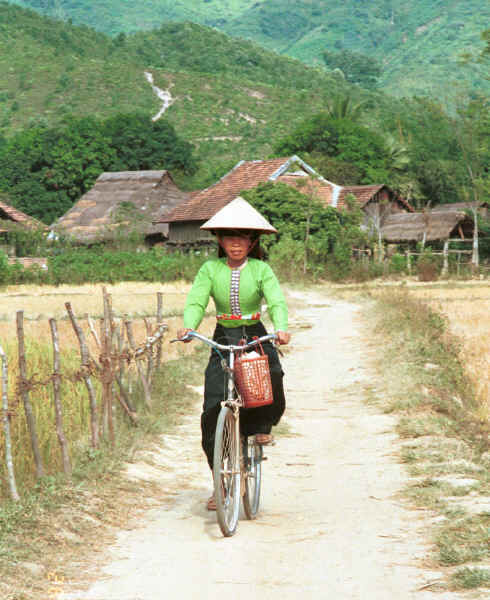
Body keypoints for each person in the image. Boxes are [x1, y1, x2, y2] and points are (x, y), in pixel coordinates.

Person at [176, 196, 291, 510]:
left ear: (252, 241)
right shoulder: (210, 269)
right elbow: (197, 301)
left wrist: (280, 328)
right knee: (213, 405)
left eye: (242, 238)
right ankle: (221, 482)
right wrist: (188, 326)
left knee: (272, 374)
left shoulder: (261, 269)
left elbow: (276, 302)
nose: (235, 243)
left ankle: (260, 427)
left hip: (254, 332)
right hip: (223, 334)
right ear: (220, 240)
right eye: (229, 237)